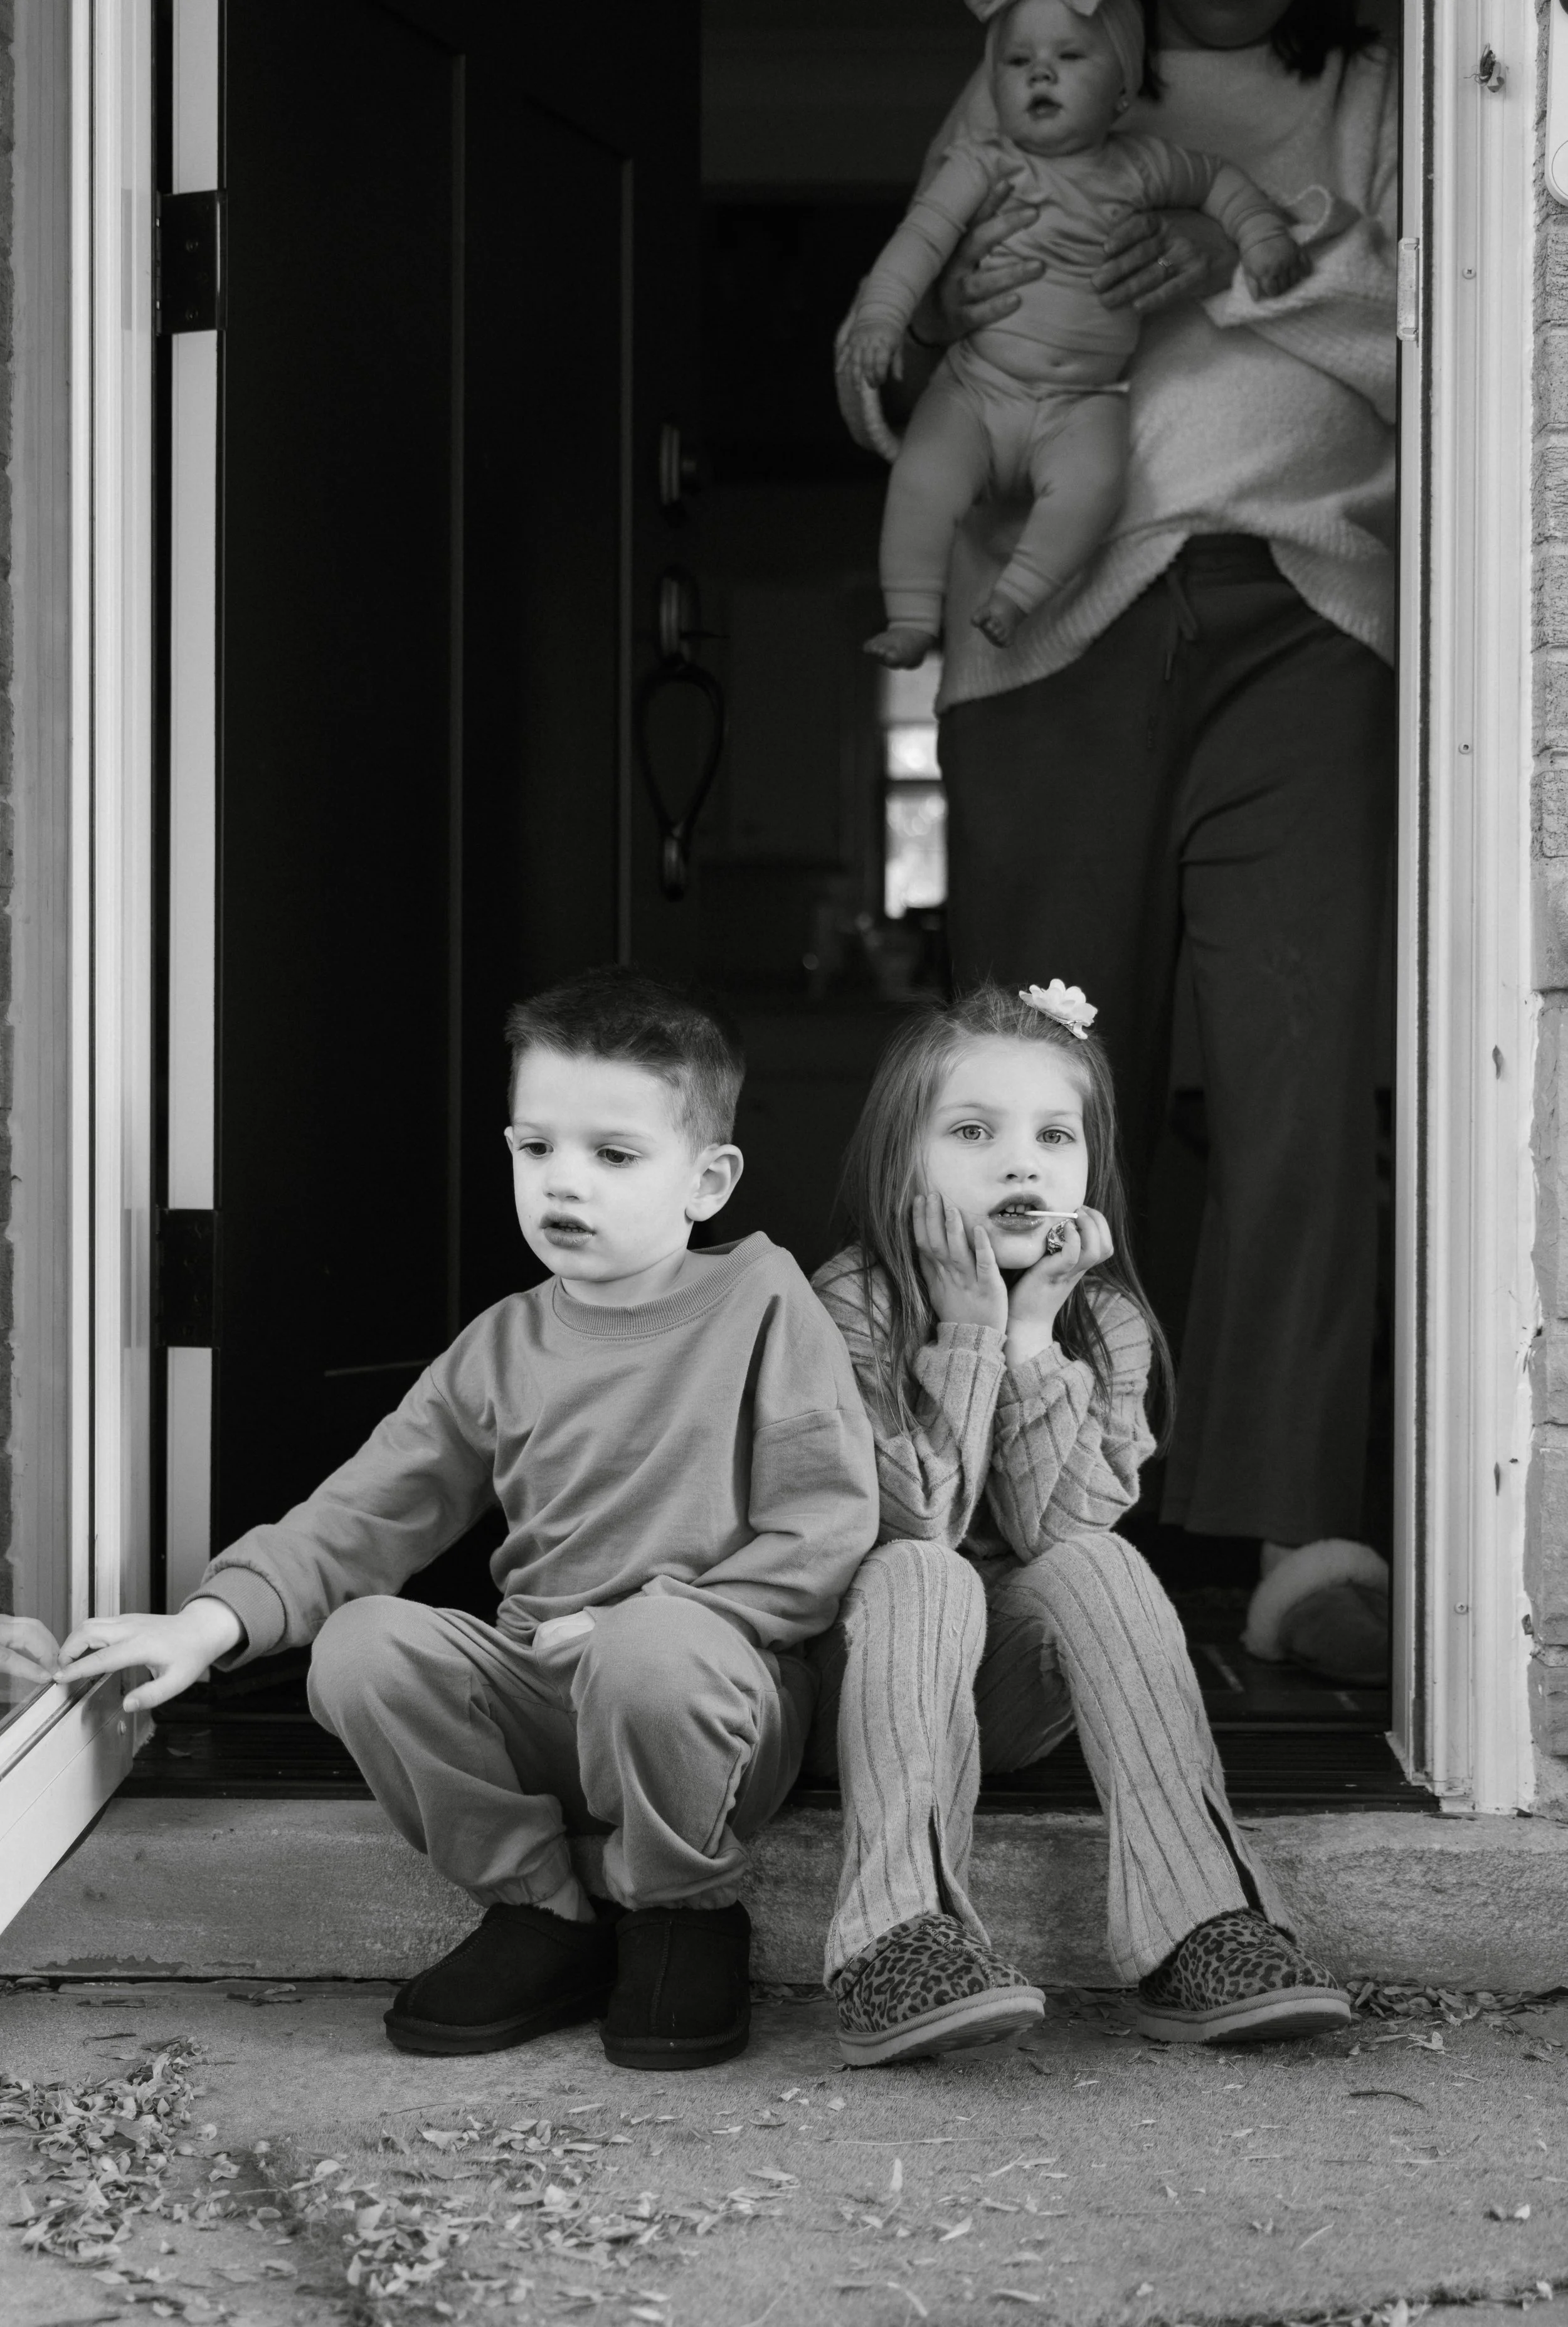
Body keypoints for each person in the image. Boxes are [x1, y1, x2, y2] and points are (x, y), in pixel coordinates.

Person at [842, 0, 1397, 1678]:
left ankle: (1305, 1538)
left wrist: (1220, 261)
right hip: (1049, 626)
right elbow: (944, 298)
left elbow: (1446, 328)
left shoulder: (1388, 91)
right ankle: (1044, 1529)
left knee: (1303, 1071)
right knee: (1031, 1099)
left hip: (1307, 609)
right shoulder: (1045, 57)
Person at [56, 968, 879, 2072]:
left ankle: (681, 1907)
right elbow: (364, 1513)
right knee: (358, 1648)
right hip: (542, 1684)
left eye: (614, 1155)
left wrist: (661, 1616)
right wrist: (205, 1627)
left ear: (709, 1178)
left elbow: (822, 1531)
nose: (563, 1184)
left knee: (651, 1655)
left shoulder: (769, 1306)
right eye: (535, 1149)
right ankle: (546, 1911)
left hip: (703, 1699)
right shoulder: (505, 1342)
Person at [808, 980, 1351, 2062]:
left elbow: (1058, 1531)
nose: (1022, 1163)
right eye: (973, 1132)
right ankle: (895, 1935)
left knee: (1097, 1561)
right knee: (931, 1574)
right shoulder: (849, 1303)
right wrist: (962, 1331)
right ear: (900, 1162)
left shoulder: (1102, 1322)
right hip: (856, 1686)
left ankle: (1197, 1923)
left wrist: (1028, 1338)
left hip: (1004, 1700)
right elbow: (913, 1520)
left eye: (1054, 1135)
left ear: (1091, 1166)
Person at [841, 0, 1304, 666]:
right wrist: (888, 317)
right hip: (977, 387)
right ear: (991, 85)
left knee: (1092, 485)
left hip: (1084, 400)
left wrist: (1260, 237)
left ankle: (1016, 597)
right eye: (1018, 63)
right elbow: (918, 239)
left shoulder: (1143, 166)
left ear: (1122, 90)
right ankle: (912, 616)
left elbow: (1221, 183)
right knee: (922, 477)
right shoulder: (979, 165)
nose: (1040, 77)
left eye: (1067, 59)